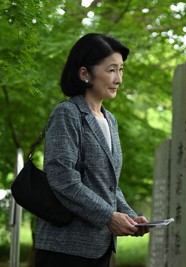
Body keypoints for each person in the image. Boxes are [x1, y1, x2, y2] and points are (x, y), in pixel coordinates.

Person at [35, 33, 150, 267]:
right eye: (111, 70)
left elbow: (109, 185)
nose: (118, 79)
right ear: (85, 73)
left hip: (100, 248)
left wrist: (129, 216)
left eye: (121, 70)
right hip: (65, 249)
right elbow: (63, 179)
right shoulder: (67, 113)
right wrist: (108, 217)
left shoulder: (110, 120)